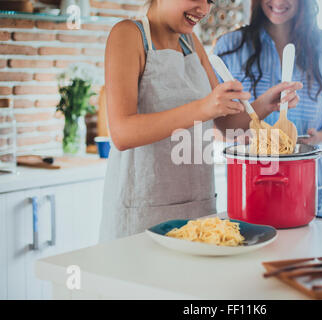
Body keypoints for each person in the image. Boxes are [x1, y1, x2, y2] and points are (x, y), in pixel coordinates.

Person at [100, 0, 302, 241]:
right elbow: (122, 134)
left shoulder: (191, 42)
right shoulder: (127, 35)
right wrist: (203, 108)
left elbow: (225, 124)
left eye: (210, 1)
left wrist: (266, 104)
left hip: (196, 210)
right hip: (142, 214)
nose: (205, 10)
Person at [213, 0, 322, 214]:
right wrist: (239, 138)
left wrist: (318, 137)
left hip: (311, 182)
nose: (278, 2)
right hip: (249, 181)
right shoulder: (229, 47)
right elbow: (214, 126)